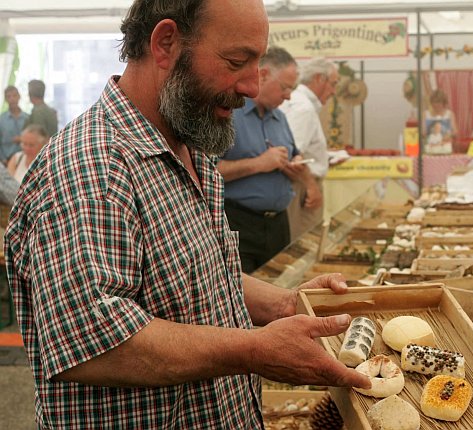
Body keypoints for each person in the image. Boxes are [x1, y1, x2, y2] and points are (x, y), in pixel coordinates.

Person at [4, 1, 369, 428]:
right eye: (238, 61)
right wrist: (255, 350)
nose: (252, 86)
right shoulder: (91, 167)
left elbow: (201, 273)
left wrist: (284, 305)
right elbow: (93, 342)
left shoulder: (188, 143)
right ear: (165, 44)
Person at [218, 46, 319, 273]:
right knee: (247, 299)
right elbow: (204, 172)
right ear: (263, 75)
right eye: (285, 87)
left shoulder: (280, 118)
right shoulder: (226, 116)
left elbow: (294, 154)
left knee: (281, 289)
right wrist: (259, 164)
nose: (289, 96)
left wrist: (297, 164)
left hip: (279, 226)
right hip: (239, 225)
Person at [280, 57, 337, 241]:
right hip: (302, 188)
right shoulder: (303, 108)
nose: (333, 92)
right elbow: (291, 156)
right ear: (319, 78)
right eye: (333, 84)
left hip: (302, 184)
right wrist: (311, 186)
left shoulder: (301, 104)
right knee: (305, 244)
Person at [0, 85, 29, 164]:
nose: (12, 99)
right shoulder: (1, 120)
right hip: (7, 159)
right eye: (9, 96)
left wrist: (22, 139)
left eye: (14, 95)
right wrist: (3, 159)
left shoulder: (27, 118)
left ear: (19, 97)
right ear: (6, 99)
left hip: (25, 159)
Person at [423, 88, 457, 154]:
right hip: (430, 149)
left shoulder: (449, 114)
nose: (436, 105)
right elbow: (423, 132)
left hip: (445, 148)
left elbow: (455, 132)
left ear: (444, 103)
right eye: (434, 102)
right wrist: (425, 134)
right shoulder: (426, 114)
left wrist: (449, 135)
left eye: (438, 102)